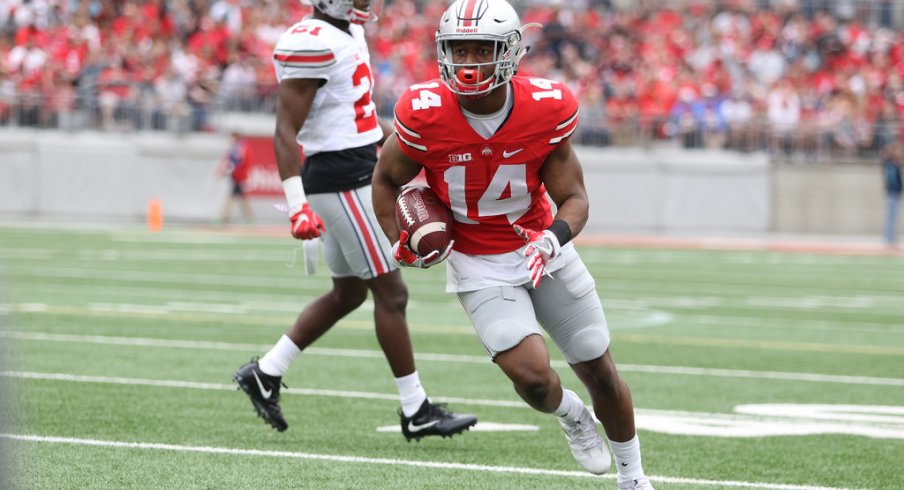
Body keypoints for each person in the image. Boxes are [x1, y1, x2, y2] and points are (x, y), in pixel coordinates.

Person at [370, 0, 653, 488]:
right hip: (478, 262)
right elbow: (385, 179)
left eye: (483, 50)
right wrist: (400, 241)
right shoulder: (423, 112)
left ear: (511, 52)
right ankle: (571, 415)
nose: (469, 63)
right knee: (535, 379)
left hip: (542, 250)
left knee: (599, 366)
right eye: (459, 50)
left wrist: (553, 238)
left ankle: (634, 480)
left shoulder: (546, 107)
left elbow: (576, 198)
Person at [233, 0, 477, 440]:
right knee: (392, 293)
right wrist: (296, 205)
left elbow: (358, 115)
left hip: (357, 168)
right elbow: (285, 129)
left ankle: (265, 372)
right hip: (342, 179)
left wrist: (409, 145)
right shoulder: (312, 42)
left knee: (347, 293)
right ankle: (415, 408)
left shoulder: (347, 31)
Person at [217, 131, 254, 224]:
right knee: (242, 198)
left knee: (233, 197)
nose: (229, 140)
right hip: (238, 176)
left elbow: (235, 162)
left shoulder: (239, 147)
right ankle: (249, 218)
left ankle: (224, 217)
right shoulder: (241, 146)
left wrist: (224, 172)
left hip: (239, 176)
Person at [882, 141, 903, 247]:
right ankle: (889, 238)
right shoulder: (891, 165)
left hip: (892, 193)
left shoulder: (892, 165)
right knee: (891, 217)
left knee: (892, 217)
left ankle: (890, 237)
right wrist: (896, 190)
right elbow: (892, 180)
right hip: (892, 194)